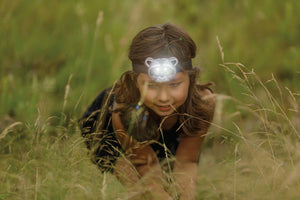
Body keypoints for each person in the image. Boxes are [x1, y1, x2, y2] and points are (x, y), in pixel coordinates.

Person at [79, 23, 215, 200]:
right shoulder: (122, 109)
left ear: (190, 77)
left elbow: (187, 161)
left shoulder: (202, 103)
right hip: (111, 130)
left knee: (174, 178)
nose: (164, 97)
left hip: (162, 128)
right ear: (136, 81)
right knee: (141, 189)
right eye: (152, 85)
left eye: (174, 84)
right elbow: (147, 166)